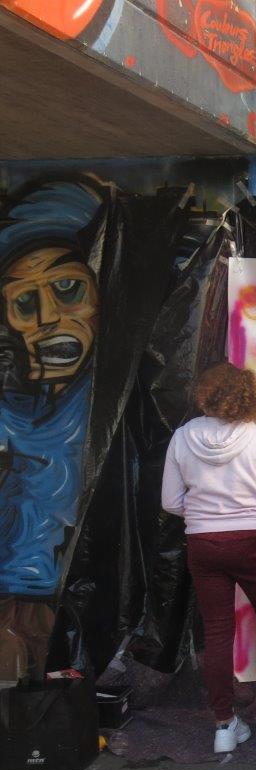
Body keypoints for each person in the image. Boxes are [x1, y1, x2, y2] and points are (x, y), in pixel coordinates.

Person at [161, 363, 256, 754]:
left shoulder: (182, 437)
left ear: (206, 394)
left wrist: (205, 512)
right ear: (248, 396)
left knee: (218, 632)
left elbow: (170, 502)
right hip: (250, 543)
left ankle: (224, 725)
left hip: (202, 545)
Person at [0, 178, 103, 686]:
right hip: (15, 588)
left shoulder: (107, 401)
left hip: (68, 589)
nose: (46, 319)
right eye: (25, 301)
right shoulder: (11, 407)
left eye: (67, 288)